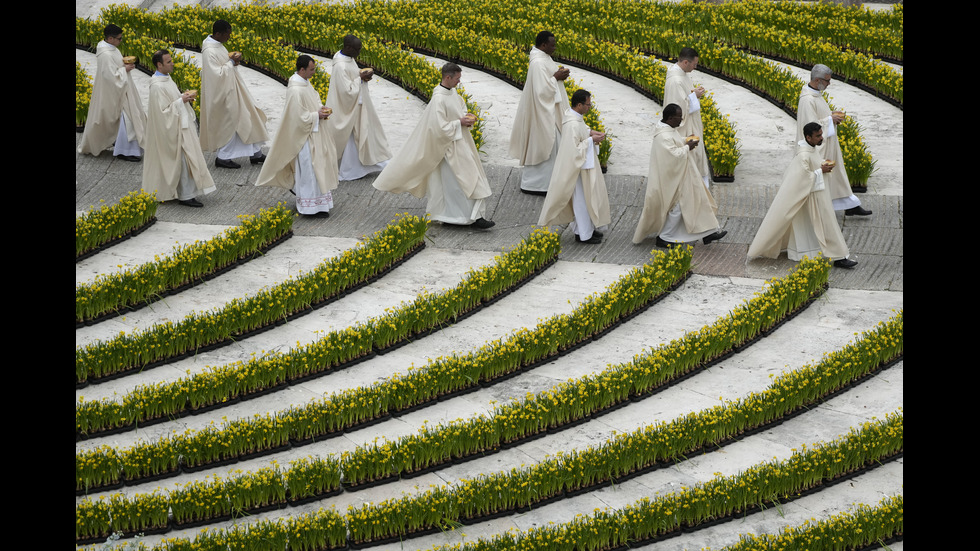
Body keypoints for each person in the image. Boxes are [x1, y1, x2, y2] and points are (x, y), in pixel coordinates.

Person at [373, 63, 494, 229]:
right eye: (457, 79)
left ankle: (474, 216)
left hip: (459, 142)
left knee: (469, 179)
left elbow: (459, 108)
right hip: (447, 148)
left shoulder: (451, 92)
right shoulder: (438, 98)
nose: (459, 82)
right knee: (460, 183)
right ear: (447, 77)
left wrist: (465, 117)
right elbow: (438, 127)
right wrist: (459, 122)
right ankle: (460, 217)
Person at [748, 122, 857, 268]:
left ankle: (837, 255)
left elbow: (812, 167)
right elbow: (802, 177)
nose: (821, 138)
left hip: (816, 195)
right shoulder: (803, 154)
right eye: (818, 136)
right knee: (824, 226)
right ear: (808, 137)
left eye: (821, 134)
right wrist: (820, 171)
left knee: (823, 226)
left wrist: (822, 165)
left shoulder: (811, 149)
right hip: (808, 198)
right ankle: (838, 257)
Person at [633, 104, 726, 247]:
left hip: (685, 174)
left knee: (699, 199)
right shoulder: (663, 136)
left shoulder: (669, 129)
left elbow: (675, 142)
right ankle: (664, 237)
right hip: (675, 178)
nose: (681, 120)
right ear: (670, 118)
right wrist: (687, 147)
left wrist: (685, 140)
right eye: (679, 117)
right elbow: (673, 155)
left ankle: (709, 232)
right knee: (679, 207)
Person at [256, 55, 337, 217]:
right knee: (309, 170)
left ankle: (320, 205)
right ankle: (309, 207)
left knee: (318, 167)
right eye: (311, 69)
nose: (314, 72)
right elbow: (297, 117)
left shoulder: (305, 83)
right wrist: (316, 116)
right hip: (305, 138)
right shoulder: (295, 89)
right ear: (302, 70)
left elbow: (313, 100)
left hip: (314, 133)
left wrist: (320, 108)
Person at [142, 50, 216, 207]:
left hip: (179, 125)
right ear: (159, 65)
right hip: (173, 130)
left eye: (171, 60)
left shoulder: (166, 79)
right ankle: (185, 195)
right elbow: (162, 114)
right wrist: (180, 101)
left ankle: (187, 192)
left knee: (186, 159)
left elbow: (172, 102)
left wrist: (182, 98)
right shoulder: (156, 87)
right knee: (183, 160)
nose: (172, 63)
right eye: (168, 62)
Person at [797, 64, 872, 216]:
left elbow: (818, 117)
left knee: (837, 174)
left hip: (828, 141)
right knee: (825, 176)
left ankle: (850, 205)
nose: (829, 84)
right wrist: (830, 120)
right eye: (827, 81)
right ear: (817, 80)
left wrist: (830, 117)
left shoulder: (816, 93)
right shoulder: (807, 99)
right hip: (819, 145)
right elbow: (810, 127)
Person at [537, 89, 610, 244]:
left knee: (585, 199)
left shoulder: (575, 117)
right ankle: (584, 235)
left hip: (580, 168)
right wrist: (591, 141)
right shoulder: (571, 123)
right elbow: (574, 149)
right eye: (588, 105)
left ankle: (586, 230)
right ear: (579, 105)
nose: (589, 107)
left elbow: (581, 131)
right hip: (575, 171)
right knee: (581, 201)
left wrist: (591, 133)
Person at [199, 19, 268, 169]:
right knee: (231, 124)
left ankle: (255, 153)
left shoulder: (218, 45)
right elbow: (216, 75)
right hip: (223, 94)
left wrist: (233, 62)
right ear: (218, 34)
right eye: (227, 34)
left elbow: (225, 66)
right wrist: (230, 62)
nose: (229, 37)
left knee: (249, 117)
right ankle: (223, 157)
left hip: (233, 88)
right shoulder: (209, 51)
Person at [509, 30, 571, 195]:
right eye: (552, 45)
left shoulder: (545, 58)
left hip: (550, 109)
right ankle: (536, 185)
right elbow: (541, 90)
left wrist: (558, 75)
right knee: (546, 144)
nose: (555, 47)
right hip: (542, 113)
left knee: (554, 147)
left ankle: (549, 183)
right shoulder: (537, 62)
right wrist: (556, 77)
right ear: (543, 45)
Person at [325, 35, 391, 180]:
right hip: (348, 108)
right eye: (357, 49)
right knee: (352, 137)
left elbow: (351, 78)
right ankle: (351, 170)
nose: (359, 53)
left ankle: (363, 165)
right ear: (348, 48)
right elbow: (345, 91)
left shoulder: (348, 58)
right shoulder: (340, 65)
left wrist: (361, 76)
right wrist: (360, 78)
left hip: (355, 104)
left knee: (361, 134)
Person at [77, 24, 146, 161]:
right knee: (128, 121)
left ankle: (123, 147)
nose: (121, 41)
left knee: (126, 120)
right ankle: (124, 151)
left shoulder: (111, 48)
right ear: (110, 38)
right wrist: (124, 70)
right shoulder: (106, 54)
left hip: (120, 90)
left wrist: (124, 67)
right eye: (119, 39)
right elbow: (110, 77)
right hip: (113, 93)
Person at [664, 47, 710, 186]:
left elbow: (684, 97)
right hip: (684, 126)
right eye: (694, 64)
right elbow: (678, 108)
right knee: (692, 155)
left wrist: (693, 93)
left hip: (691, 121)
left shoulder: (682, 74)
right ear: (685, 62)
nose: (695, 67)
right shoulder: (675, 80)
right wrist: (694, 96)